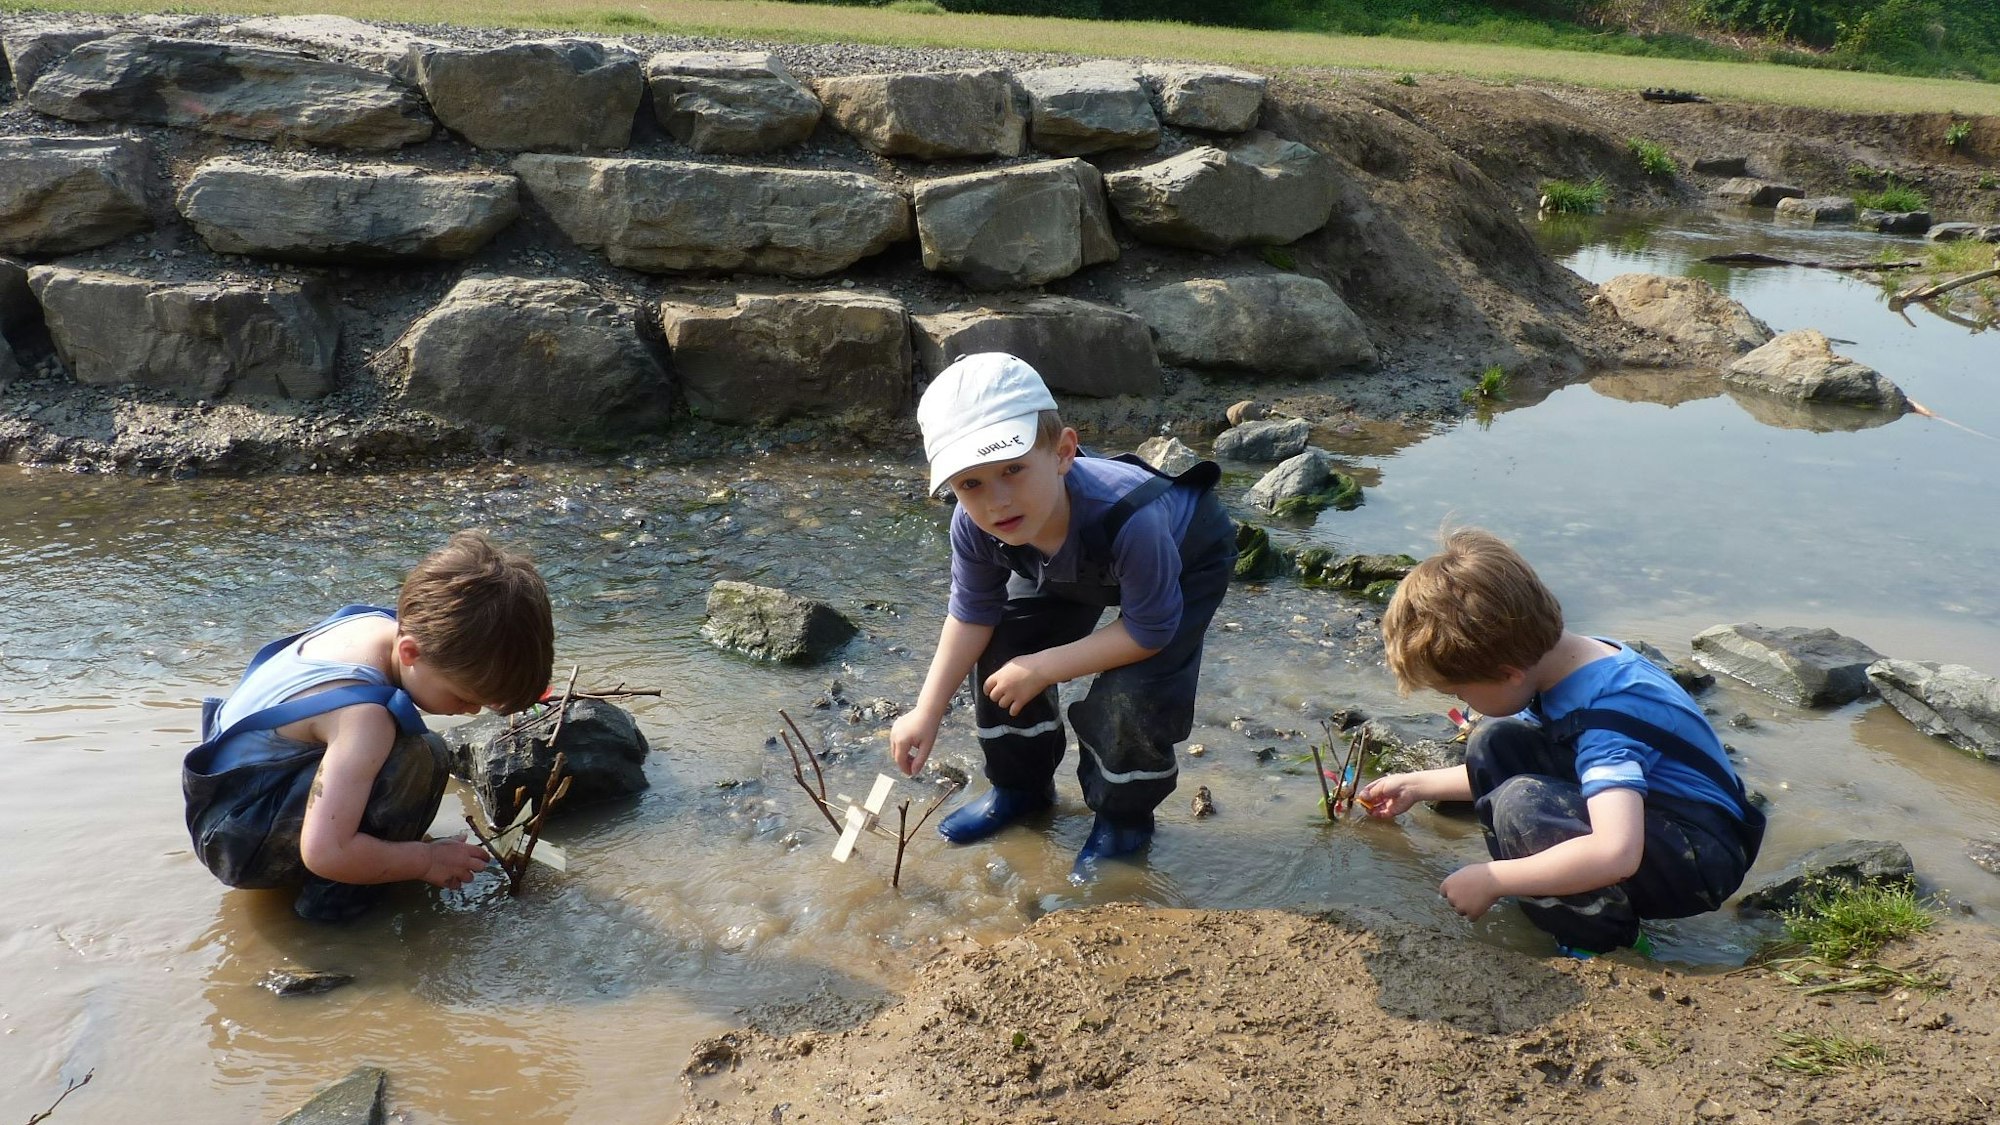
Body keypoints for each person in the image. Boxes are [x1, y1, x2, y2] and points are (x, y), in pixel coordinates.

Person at [890, 353, 1236, 881]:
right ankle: (1020, 789)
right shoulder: (980, 524)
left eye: (1012, 469)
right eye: (971, 483)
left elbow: (1149, 630)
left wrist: (1047, 666)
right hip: (1056, 554)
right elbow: (971, 614)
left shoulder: (1133, 518)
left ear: (1063, 452)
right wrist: (926, 711)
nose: (998, 500)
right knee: (1002, 647)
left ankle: (1124, 820)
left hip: (1182, 555)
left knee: (1131, 695)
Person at [1357, 528, 1764, 957]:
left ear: (1509, 672)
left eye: (1460, 693)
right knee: (1495, 742)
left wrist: (1495, 878)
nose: (1462, 703)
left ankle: (1603, 942)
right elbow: (1552, 762)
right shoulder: (1568, 663)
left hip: (1699, 859)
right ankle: (1551, 895)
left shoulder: (1610, 718)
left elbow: (1616, 853)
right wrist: (1418, 786)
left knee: (1521, 806)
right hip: (1658, 815)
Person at [182, 530, 554, 921]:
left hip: (225, 799)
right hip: (237, 839)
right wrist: (424, 861)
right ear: (410, 652)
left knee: (416, 749)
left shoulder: (372, 625)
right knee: (419, 757)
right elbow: (324, 853)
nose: (471, 712)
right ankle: (335, 913)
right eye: (464, 698)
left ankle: (370, 857)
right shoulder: (364, 718)